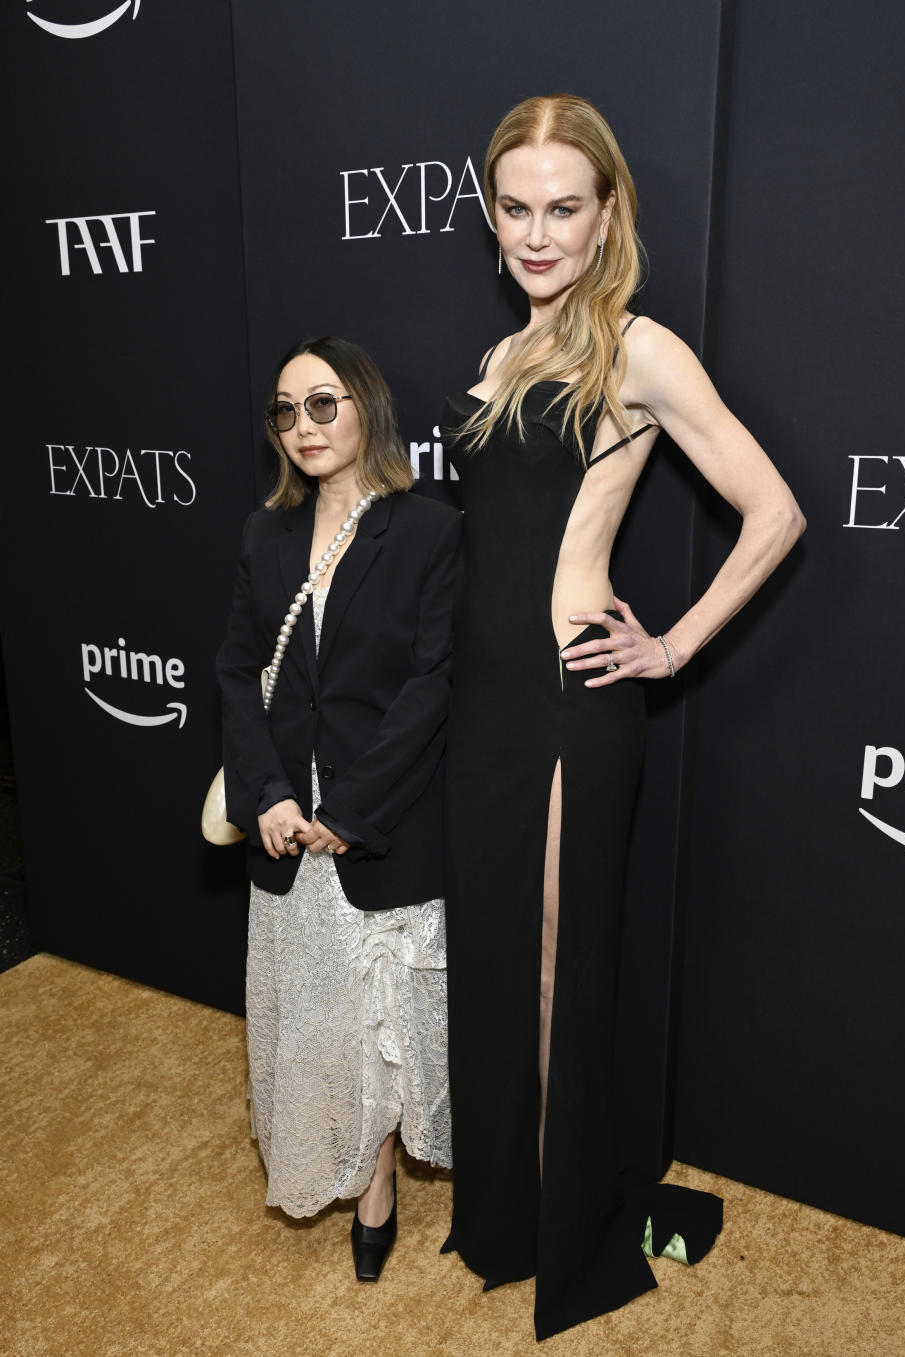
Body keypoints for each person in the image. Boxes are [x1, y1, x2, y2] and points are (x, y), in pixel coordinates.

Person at [438, 95, 805, 1340]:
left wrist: (674, 643)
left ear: (605, 218)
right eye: (516, 207)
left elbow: (775, 511)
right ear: (492, 214)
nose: (537, 234)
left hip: (564, 703)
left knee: (555, 968)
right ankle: (510, 1206)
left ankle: (570, 1224)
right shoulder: (495, 359)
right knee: (495, 965)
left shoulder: (635, 349)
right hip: (481, 708)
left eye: (563, 209)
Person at [217, 335, 460, 1282]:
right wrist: (269, 794)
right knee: (316, 1022)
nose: (304, 425)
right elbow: (239, 673)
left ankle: (379, 1184)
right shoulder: (263, 534)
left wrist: (350, 808)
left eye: (323, 403)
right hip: (285, 823)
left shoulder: (431, 530)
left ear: (367, 409)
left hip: (381, 821)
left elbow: (431, 685)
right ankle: (348, 1159)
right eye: (286, 409)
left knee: (383, 1020)